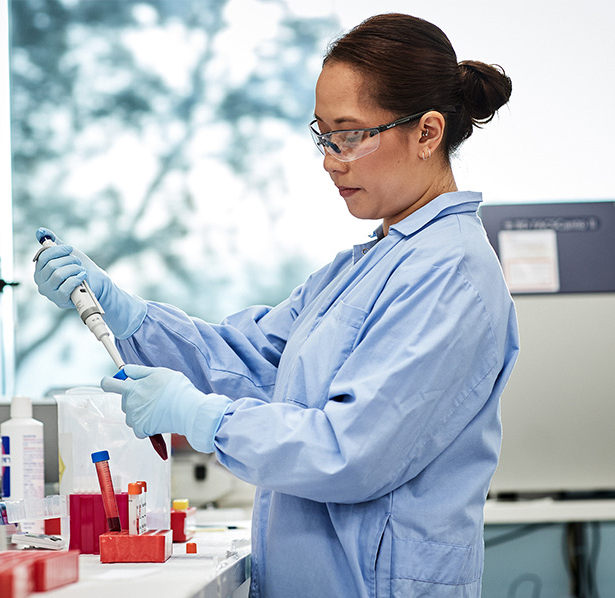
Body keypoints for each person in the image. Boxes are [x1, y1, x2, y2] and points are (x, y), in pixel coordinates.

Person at [35, 13, 519, 598]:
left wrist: (204, 419)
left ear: (427, 133)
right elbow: (253, 361)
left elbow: (351, 451)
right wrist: (126, 314)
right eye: (323, 135)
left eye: (351, 134)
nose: (330, 159)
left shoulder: (451, 275)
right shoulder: (367, 265)